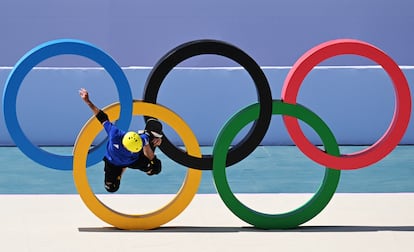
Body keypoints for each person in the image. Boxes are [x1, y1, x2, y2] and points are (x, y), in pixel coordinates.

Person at [79, 88, 163, 193]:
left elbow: (102, 118)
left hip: (131, 160)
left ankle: (153, 135)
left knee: (155, 169)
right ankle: (154, 137)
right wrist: (88, 101)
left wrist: (88, 101)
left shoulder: (136, 138)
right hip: (113, 163)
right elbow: (101, 116)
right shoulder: (118, 135)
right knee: (111, 186)